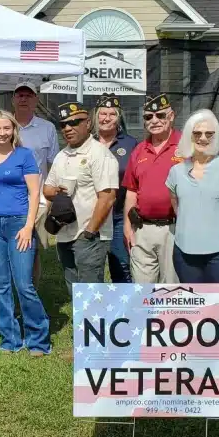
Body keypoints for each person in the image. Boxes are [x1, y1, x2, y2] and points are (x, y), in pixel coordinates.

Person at [0, 111, 51, 356]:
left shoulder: (24, 156)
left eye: (6, 128)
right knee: (1, 284)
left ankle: (38, 339)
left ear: (13, 131)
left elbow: (34, 194)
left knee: (24, 283)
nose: (2, 133)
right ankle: (10, 339)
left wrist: (29, 226)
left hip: (20, 224)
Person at [43, 101, 119, 298]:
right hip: (64, 232)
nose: (68, 128)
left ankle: (95, 328)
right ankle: (82, 328)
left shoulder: (99, 153)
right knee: (74, 290)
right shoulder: (62, 155)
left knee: (91, 293)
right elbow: (47, 189)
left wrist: (90, 231)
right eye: (64, 124)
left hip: (89, 234)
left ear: (88, 124)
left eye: (75, 122)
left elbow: (108, 197)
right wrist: (57, 191)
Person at [167, 110, 219, 283]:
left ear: (215, 136)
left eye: (209, 134)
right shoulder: (175, 172)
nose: (203, 138)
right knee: (194, 307)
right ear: (189, 135)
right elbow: (177, 207)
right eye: (197, 133)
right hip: (184, 252)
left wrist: (216, 231)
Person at [123, 93, 181, 284]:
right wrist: (127, 226)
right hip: (142, 228)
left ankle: (167, 316)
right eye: (148, 117)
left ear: (171, 116)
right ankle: (146, 316)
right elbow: (131, 190)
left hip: (174, 228)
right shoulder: (139, 150)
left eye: (160, 115)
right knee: (141, 288)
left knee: (171, 288)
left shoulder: (186, 146)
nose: (154, 121)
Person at [12, 81, 60, 282]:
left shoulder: (47, 128)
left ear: (36, 100)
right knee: (9, 250)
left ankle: (30, 295)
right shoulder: (4, 126)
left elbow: (54, 166)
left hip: (38, 202)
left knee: (32, 252)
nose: (23, 99)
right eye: (20, 95)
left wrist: (48, 200)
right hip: (8, 200)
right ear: (13, 100)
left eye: (28, 95)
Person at [93, 95, 138, 283]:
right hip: (92, 215)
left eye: (112, 114)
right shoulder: (87, 142)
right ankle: (96, 311)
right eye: (103, 113)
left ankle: (125, 310)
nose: (106, 118)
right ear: (96, 116)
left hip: (119, 216)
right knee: (91, 267)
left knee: (122, 266)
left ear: (119, 117)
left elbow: (136, 182)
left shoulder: (131, 144)